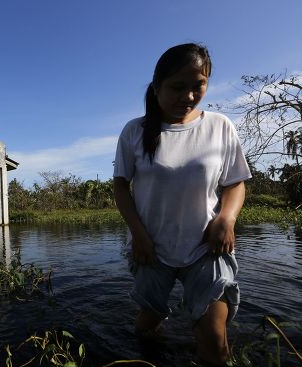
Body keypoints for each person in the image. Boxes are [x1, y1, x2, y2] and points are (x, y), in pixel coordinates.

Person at [113, 43, 251, 366]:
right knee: (147, 325)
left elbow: (235, 184)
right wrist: (139, 234)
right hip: (152, 249)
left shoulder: (219, 127)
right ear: (157, 85)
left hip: (206, 248)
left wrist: (226, 219)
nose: (188, 96)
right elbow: (121, 187)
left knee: (215, 339)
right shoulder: (134, 132)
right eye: (178, 87)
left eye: (198, 86)